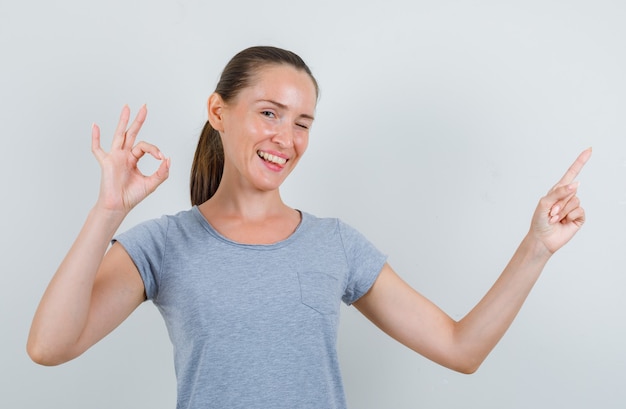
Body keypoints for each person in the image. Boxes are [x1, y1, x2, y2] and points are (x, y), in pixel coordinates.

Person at [27, 46, 592, 409]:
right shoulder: (163, 244)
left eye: (303, 123)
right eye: (269, 112)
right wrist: (108, 211)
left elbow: (460, 347)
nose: (286, 138)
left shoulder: (336, 245)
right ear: (219, 112)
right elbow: (49, 347)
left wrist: (536, 247)